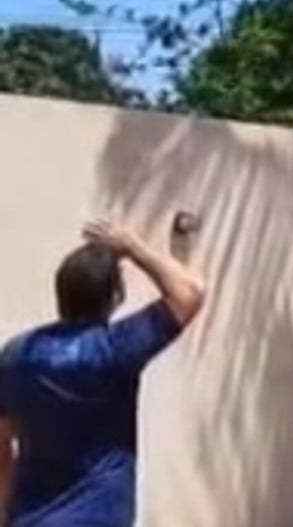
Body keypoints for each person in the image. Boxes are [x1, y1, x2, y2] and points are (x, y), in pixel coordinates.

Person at [0, 219, 205, 527]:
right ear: (114, 297)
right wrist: (133, 248)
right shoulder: (115, 350)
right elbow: (189, 292)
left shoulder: (17, 354)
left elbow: (3, 442)